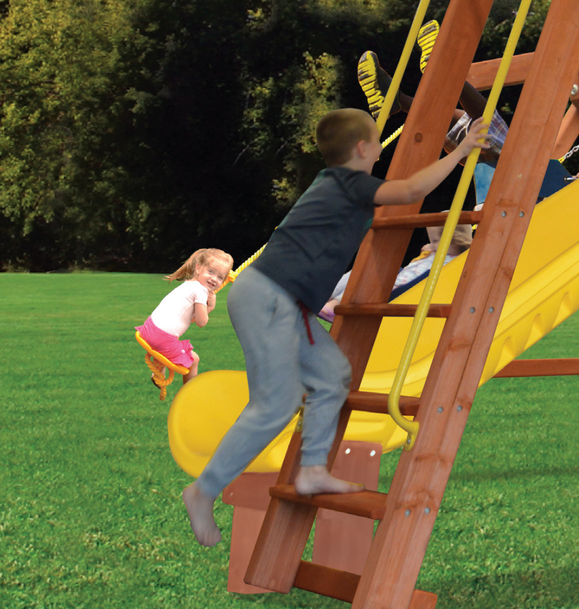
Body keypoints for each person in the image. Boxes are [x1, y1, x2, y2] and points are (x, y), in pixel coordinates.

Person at [180, 107, 487, 548]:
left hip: (286, 302)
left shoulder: (334, 184)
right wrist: (462, 150)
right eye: (378, 141)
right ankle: (202, 490)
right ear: (363, 149)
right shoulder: (350, 183)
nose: (381, 148)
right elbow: (413, 189)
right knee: (276, 403)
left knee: (331, 376)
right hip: (271, 297)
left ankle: (311, 471)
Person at [318, 223, 474, 323]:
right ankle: (324, 296)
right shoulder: (434, 254)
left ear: (455, 240)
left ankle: (334, 307)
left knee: (377, 272)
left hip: (400, 293)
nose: (429, 244)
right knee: (365, 268)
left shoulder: (455, 262)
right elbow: (413, 269)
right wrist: (427, 253)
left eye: (434, 241)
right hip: (398, 282)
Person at [138, 248, 233, 381]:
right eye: (210, 271)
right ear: (198, 268)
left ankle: (159, 373)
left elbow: (189, 319)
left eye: (220, 277)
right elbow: (201, 322)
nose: (214, 279)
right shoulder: (201, 291)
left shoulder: (188, 285)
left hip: (148, 329)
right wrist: (210, 306)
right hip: (161, 338)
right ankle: (188, 393)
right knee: (194, 360)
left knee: (167, 348)